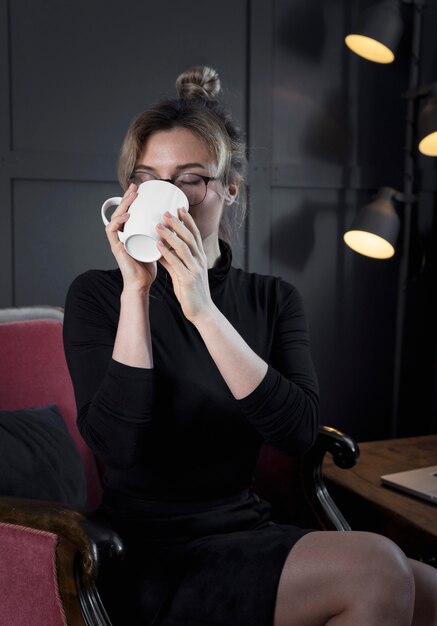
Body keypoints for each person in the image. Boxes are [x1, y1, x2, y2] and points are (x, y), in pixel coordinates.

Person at [63, 65, 437, 626]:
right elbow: (117, 446)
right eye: (149, 178)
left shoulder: (273, 299)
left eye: (191, 178)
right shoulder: (100, 294)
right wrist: (137, 292)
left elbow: (296, 432)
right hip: (148, 552)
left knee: (430, 587)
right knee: (378, 567)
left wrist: (203, 309)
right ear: (130, 194)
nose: (172, 196)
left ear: (229, 188)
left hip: (244, 529)